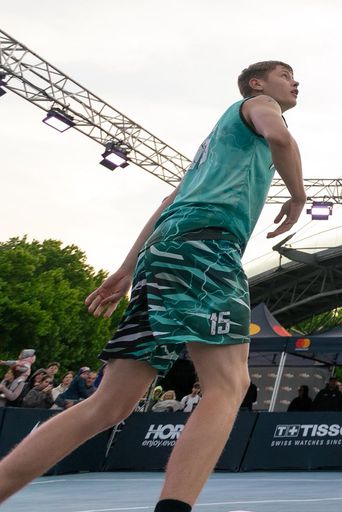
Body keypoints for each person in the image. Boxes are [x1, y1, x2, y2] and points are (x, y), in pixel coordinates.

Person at [0, 60, 305, 512]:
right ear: (258, 84)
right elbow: (280, 137)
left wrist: (127, 269)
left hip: (162, 255)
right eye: (286, 74)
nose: (295, 82)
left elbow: (168, 201)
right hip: (205, 249)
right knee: (228, 384)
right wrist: (298, 196)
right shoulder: (256, 105)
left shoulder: (215, 149)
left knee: (111, 404)